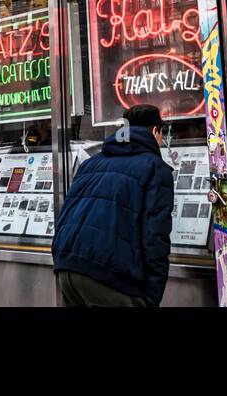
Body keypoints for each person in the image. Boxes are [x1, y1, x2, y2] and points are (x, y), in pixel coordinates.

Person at [52, 104, 174, 307]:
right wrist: (151, 295)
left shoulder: (91, 163)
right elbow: (155, 235)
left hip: (68, 267)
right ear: (155, 131)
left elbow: (67, 214)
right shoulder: (154, 167)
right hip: (110, 277)